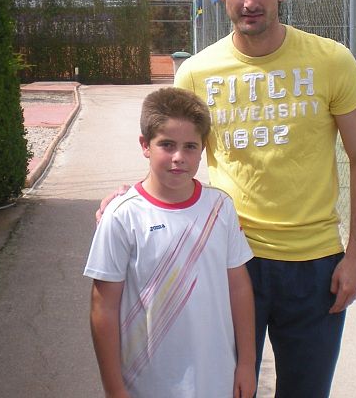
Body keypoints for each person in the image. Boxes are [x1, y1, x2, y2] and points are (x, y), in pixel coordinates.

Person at [101, 0, 356, 397]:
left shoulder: (332, 61)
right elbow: (175, 149)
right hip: (226, 258)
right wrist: (130, 195)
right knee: (226, 387)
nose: (250, 1)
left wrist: (355, 256)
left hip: (314, 265)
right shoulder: (197, 72)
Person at [84, 87, 256, 398]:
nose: (179, 157)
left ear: (202, 150)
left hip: (216, 379)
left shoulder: (221, 207)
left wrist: (246, 363)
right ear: (144, 145)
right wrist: (114, 389)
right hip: (147, 385)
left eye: (190, 146)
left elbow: (239, 287)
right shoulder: (122, 215)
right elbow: (103, 306)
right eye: (167, 145)